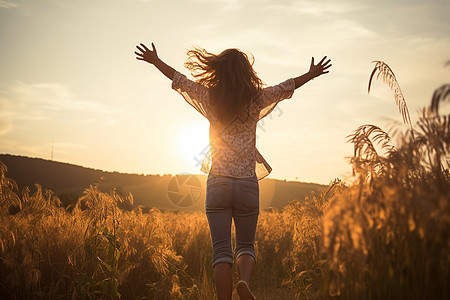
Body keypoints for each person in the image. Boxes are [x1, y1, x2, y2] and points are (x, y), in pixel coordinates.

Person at [134, 42, 331, 300]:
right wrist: (311, 74)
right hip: (248, 184)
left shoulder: (209, 97)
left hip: (218, 185)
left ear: (218, 71)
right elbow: (286, 87)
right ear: (246, 74)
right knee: (246, 247)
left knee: (221, 252)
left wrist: (156, 61)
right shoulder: (256, 97)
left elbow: (180, 80)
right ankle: (245, 283)